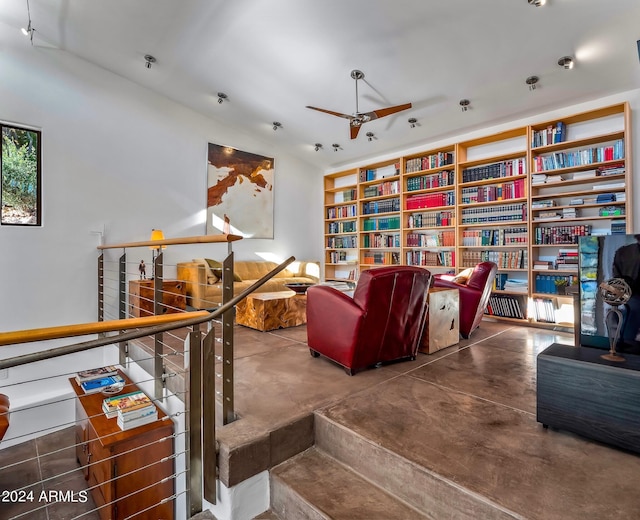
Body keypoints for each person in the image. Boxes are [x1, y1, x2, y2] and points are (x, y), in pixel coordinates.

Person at [612, 235, 640, 346]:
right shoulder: (623, 252)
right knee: (632, 309)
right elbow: (617, 280)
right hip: (632, 296)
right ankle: (623, 346)